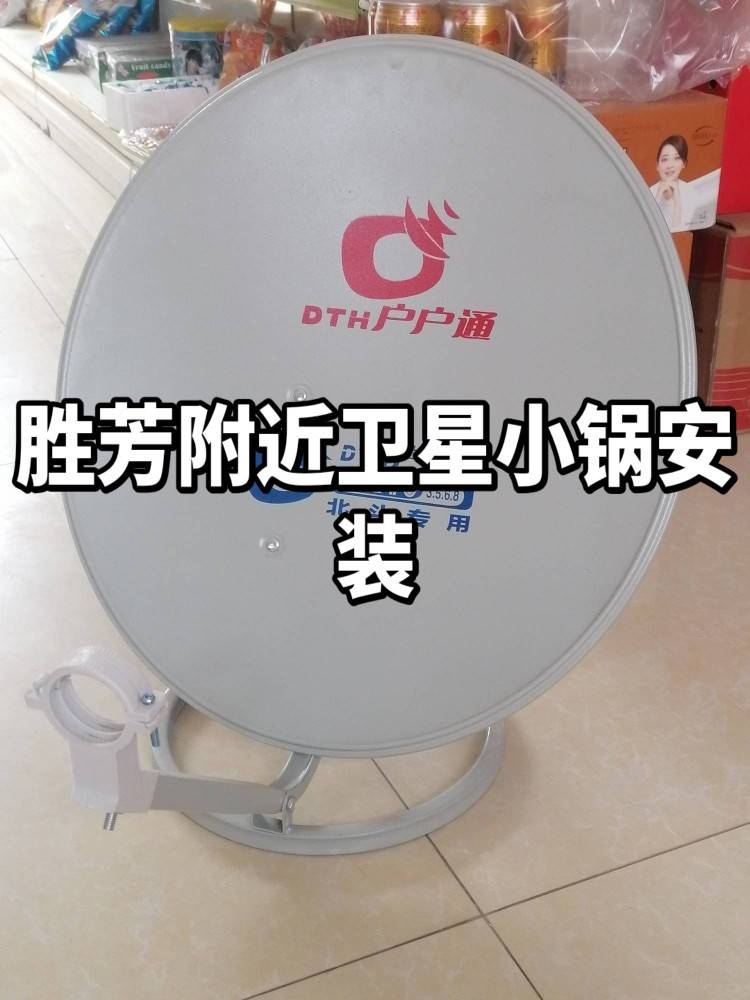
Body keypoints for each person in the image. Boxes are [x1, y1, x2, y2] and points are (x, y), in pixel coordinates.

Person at [650, 135, 697, 233]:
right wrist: (656, 200)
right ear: (657, 165)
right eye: (665, 159)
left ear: (684, 163)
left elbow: (682, 236)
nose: (670, 165)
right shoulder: (649, 193)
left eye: (676, 158)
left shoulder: (690, 193)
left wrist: (677, 204)